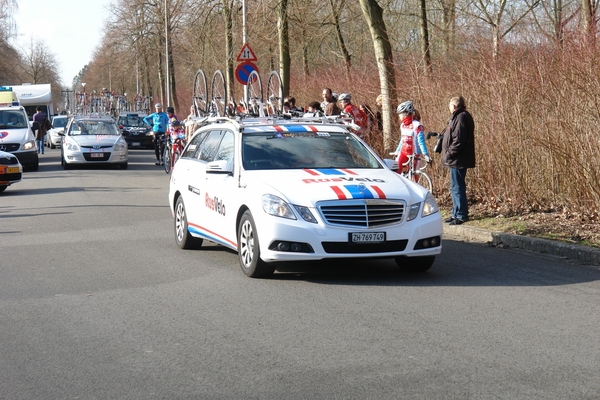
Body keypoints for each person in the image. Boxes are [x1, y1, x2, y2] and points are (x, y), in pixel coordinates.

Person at [441, 96, 475, 225]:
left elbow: (459, 140)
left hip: (458, 159)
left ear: (454, 106)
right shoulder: (458, 116)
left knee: (457, 187)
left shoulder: (461, 117)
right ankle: (455, 213)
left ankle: (461, 215)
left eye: (449, 105)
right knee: (454, 187)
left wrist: (449, 154)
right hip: (456, 159)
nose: (449, 108)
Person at [393, 100, 431, 176]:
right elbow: (402, 140)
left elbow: (421, 142)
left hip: (415, 154)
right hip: (403, 152)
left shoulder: (417, 125)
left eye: (400, 114)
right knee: (396, 172)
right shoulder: (402, 125)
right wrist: (397, 151)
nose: (399, 116)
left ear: (405, 114)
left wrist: (426, 155)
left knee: (414, 176)